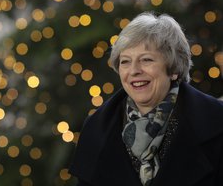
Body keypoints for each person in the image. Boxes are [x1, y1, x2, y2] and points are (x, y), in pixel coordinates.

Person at [68, 12, 223, 186]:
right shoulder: (95, 129)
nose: (134, 70)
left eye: (146, 60)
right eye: (125, 61)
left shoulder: (217, 120)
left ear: (173, 68)